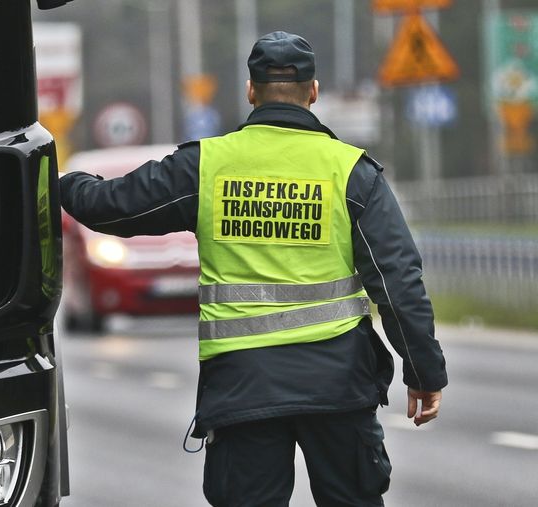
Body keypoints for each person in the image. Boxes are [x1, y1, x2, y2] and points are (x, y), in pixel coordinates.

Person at [60, 30, 447, 507]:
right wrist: (424, 371)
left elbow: (109, 208)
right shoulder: (350, 172)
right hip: (339, 385)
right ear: (314, 92)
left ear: (250, 90)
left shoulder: (206, 167)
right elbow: (397, 281)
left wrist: (58, 176)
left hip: (244, 388)